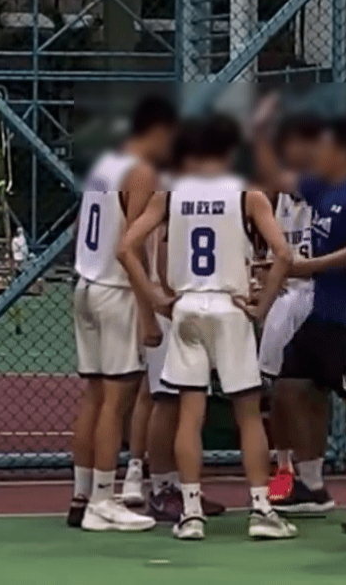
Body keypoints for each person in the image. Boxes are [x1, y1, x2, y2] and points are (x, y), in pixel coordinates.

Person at [118, 113, 297, 542]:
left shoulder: (169, 194)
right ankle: (261, 508)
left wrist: (156, 297)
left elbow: (126, 248)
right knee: (248, 414)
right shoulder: (247, 195)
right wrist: (262, 306)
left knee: (189, 413)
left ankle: (191, 512)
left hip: (186, 308)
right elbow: (284, 254)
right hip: (229, 307)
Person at [68, 93, 177, 532]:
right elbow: (131, 247)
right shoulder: (141, 171)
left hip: (85, 284)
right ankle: (102, 500)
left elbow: (82, 228)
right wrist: (149, 311)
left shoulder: (104, 166)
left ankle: (81, 496)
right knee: (117, 402)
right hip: (115, 291)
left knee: (94, 397)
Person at [269, 116, 346, 514]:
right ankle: (311, 485)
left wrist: (311, 266)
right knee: (290, 388)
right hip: (319, 317)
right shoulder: (320, 186)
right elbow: (280, 177)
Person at [121, 120, 226, 521]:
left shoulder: (184, 191)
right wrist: (158, 302)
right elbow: (157, 251)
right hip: (173, 304)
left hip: (179, 303)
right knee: (168, 399)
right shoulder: (170, 192)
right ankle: (162, 486)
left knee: (176, 398)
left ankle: (177, 486)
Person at [251, 100, 324, 501]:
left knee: (314, 393)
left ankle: (312, 474)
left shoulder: (320, 186)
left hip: (316, 293)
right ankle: (284, 469)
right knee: (279, 389)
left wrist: (261, 130)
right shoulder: (279, 195)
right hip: (288, 294)